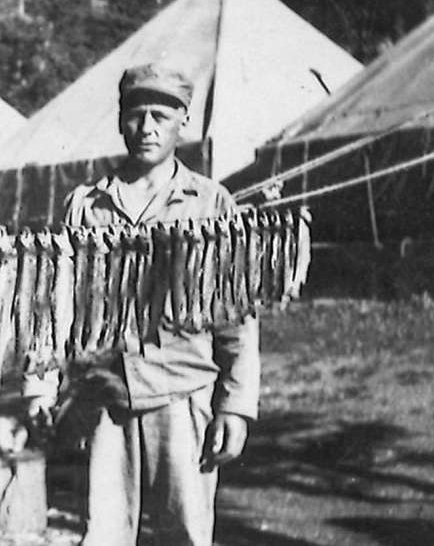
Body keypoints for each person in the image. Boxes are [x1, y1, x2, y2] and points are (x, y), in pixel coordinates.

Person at [31, 63, 259, 545]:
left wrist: (235, 408)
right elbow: (54, 306)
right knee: (103, 534)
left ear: (184, 123)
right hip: (106, 399)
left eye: (161, 115)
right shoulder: (86, 206)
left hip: (183, 395)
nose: (147, 127)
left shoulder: (210, 203)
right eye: (136, 114)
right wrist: (42, 387)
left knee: (186, 534)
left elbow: (237, 317)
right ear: (120, 120)